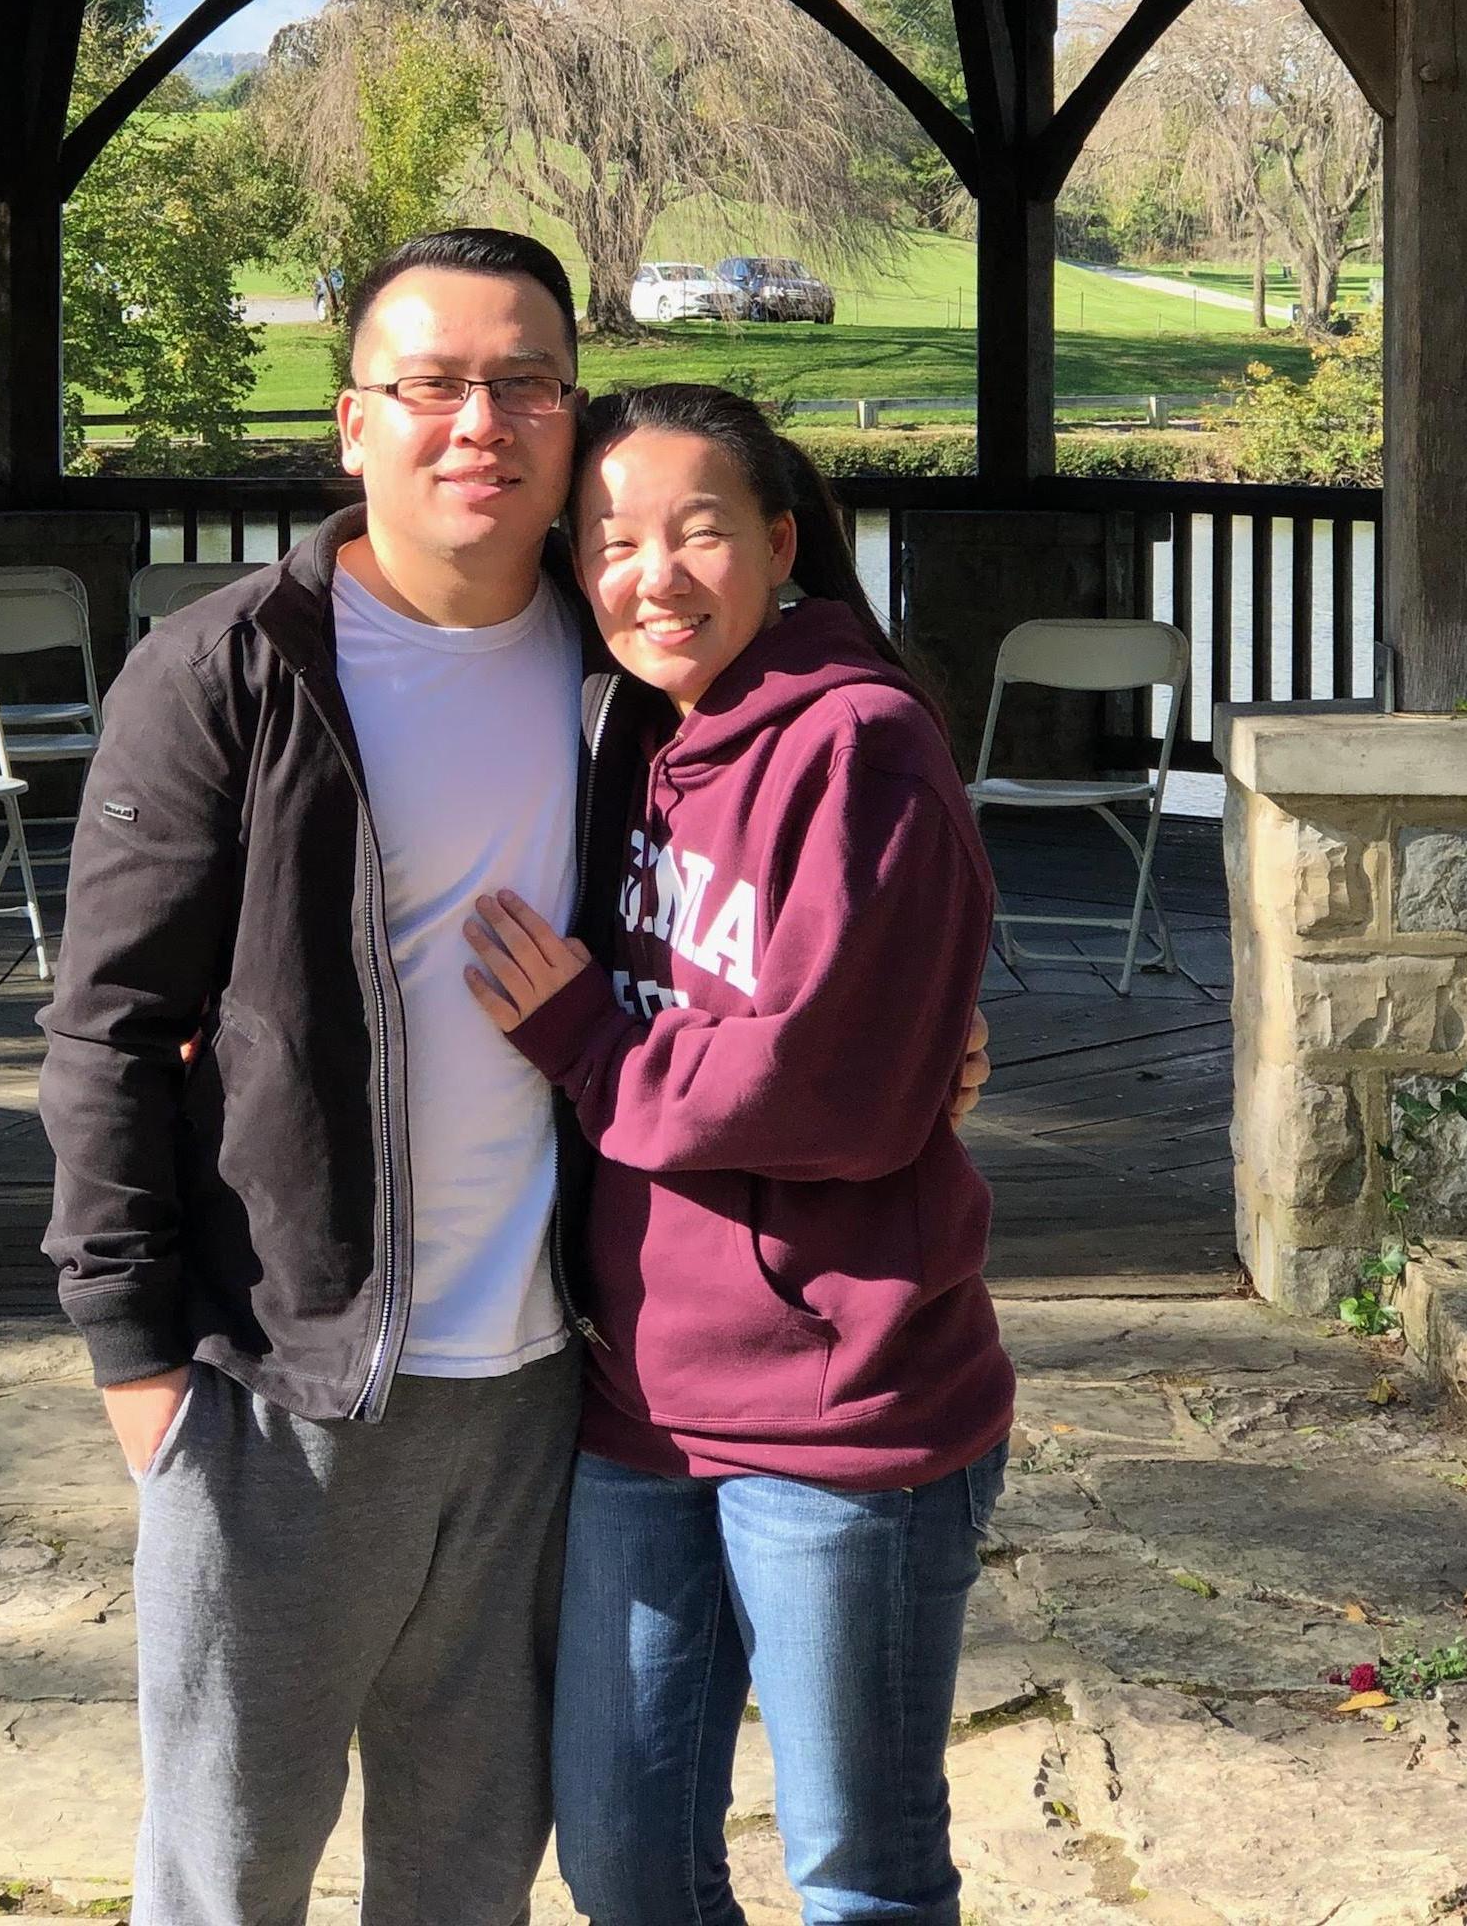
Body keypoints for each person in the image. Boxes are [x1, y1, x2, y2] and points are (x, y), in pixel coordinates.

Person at [39, 229, 602, 1926]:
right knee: (228, 1878)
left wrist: (922, 1027)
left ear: (574, 425)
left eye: (523, 385)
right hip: (284, 1381)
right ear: (352, 422)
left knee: (468, 1877)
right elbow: (107, 1028)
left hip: (549, 1382)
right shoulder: (228, 670)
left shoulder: (630, 668)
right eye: (432, 383)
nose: (479, 422)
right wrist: (138, 1358)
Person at [464, 380, 1018, 1926]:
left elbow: (833, 1089)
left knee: (860, 1873)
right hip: (636, 1399)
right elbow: (408, 585)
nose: (658, 575)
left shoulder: (862, 749)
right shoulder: (631, 725)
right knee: (627, 1859)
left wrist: (586, 1042)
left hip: (845, 1416)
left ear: (783, 543)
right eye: (614, 540)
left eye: (701, 532)